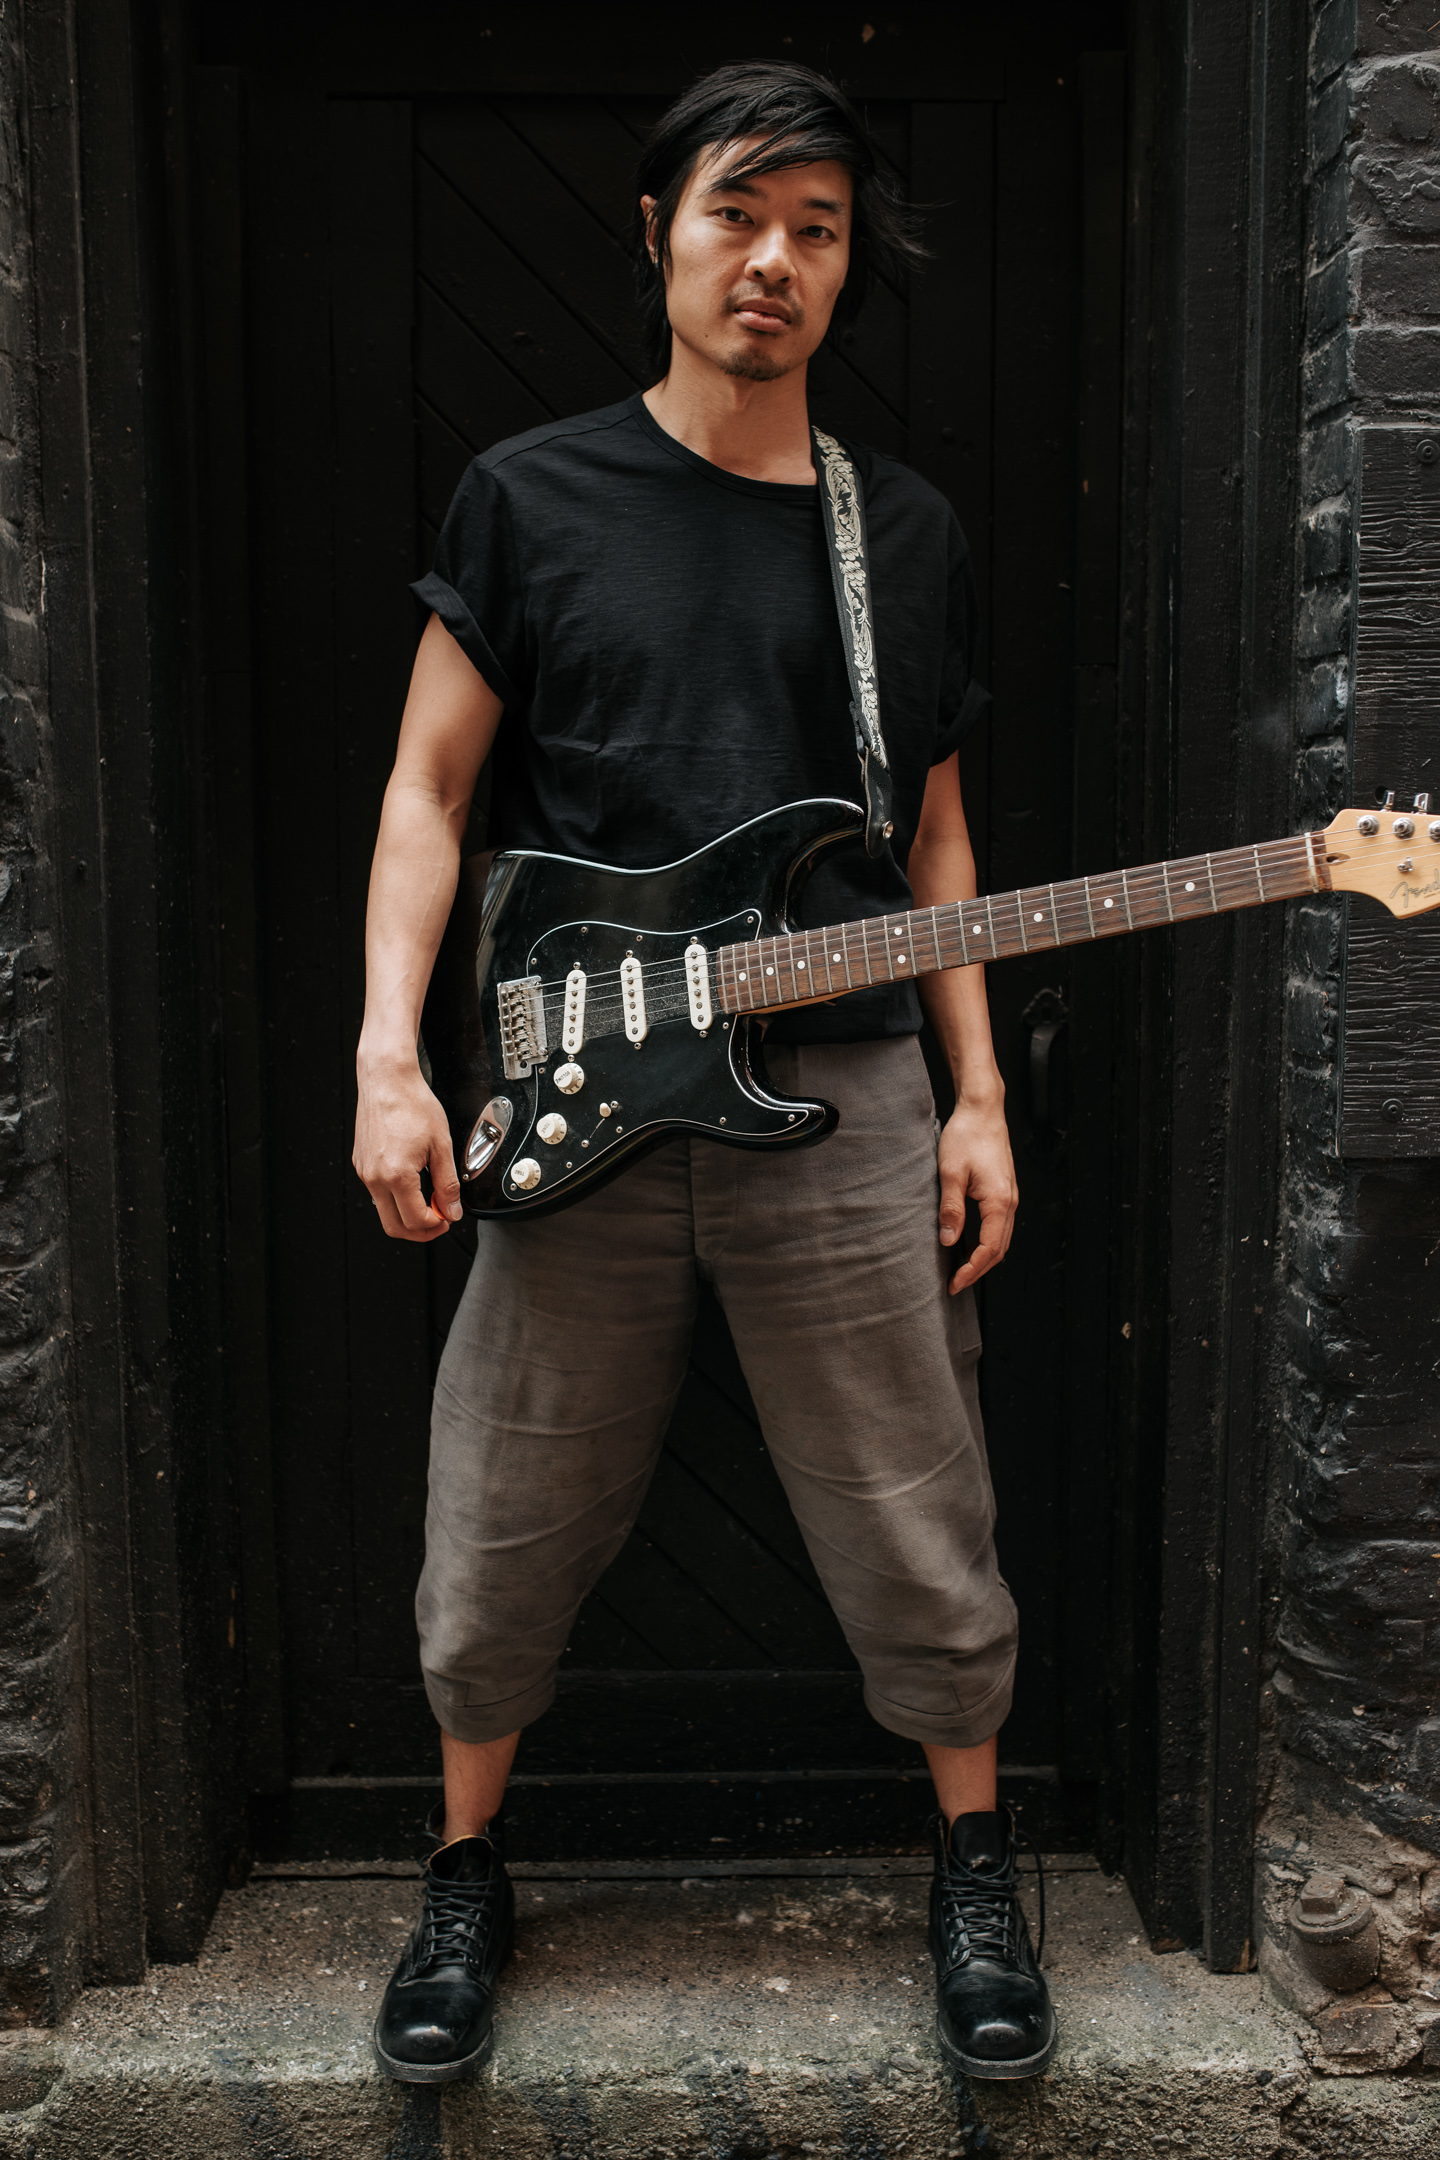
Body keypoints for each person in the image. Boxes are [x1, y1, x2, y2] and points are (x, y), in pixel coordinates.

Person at [353, 60, 1055, 2086]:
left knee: (920, 1511)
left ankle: (976, 1870)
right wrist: (389, 1061)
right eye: (741, 214)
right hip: (571, 1111)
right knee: (501, 1517)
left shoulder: (894, 533)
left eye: (818, 228)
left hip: (839, 1098)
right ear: (656, 230)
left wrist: (981, 1099)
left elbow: (934, 843)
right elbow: (427, 789)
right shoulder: (531, 495)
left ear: (846, 271)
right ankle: (468, 1872)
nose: (775, 261)